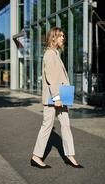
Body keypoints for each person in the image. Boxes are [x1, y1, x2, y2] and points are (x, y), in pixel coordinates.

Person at [30, 27, 83, 169]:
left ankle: (70, 155)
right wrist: (57, 97)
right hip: (54, 97)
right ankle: (36, 156)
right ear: (53, 38)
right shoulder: (49, 54)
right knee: (47, 125)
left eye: (64, 36)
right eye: (61, 36)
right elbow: (51, 78)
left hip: (61, 95)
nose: (63, 38)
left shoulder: (56, 53)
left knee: (65, 125)